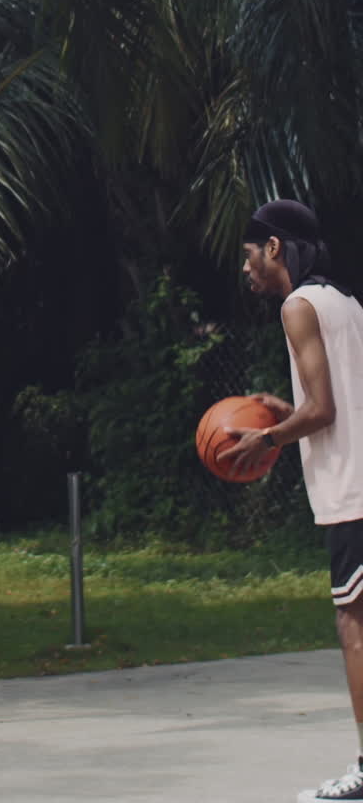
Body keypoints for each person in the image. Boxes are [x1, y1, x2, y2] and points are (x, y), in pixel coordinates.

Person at [221, 199, 363, 802]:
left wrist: (268, 436)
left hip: (354, 493)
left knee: (354, 626)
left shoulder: (298, 306)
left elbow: (326, 410)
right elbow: (339, 400)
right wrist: (289, 411)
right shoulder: (347, 303)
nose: (246, 268)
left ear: (273, 247)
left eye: (249, 255)